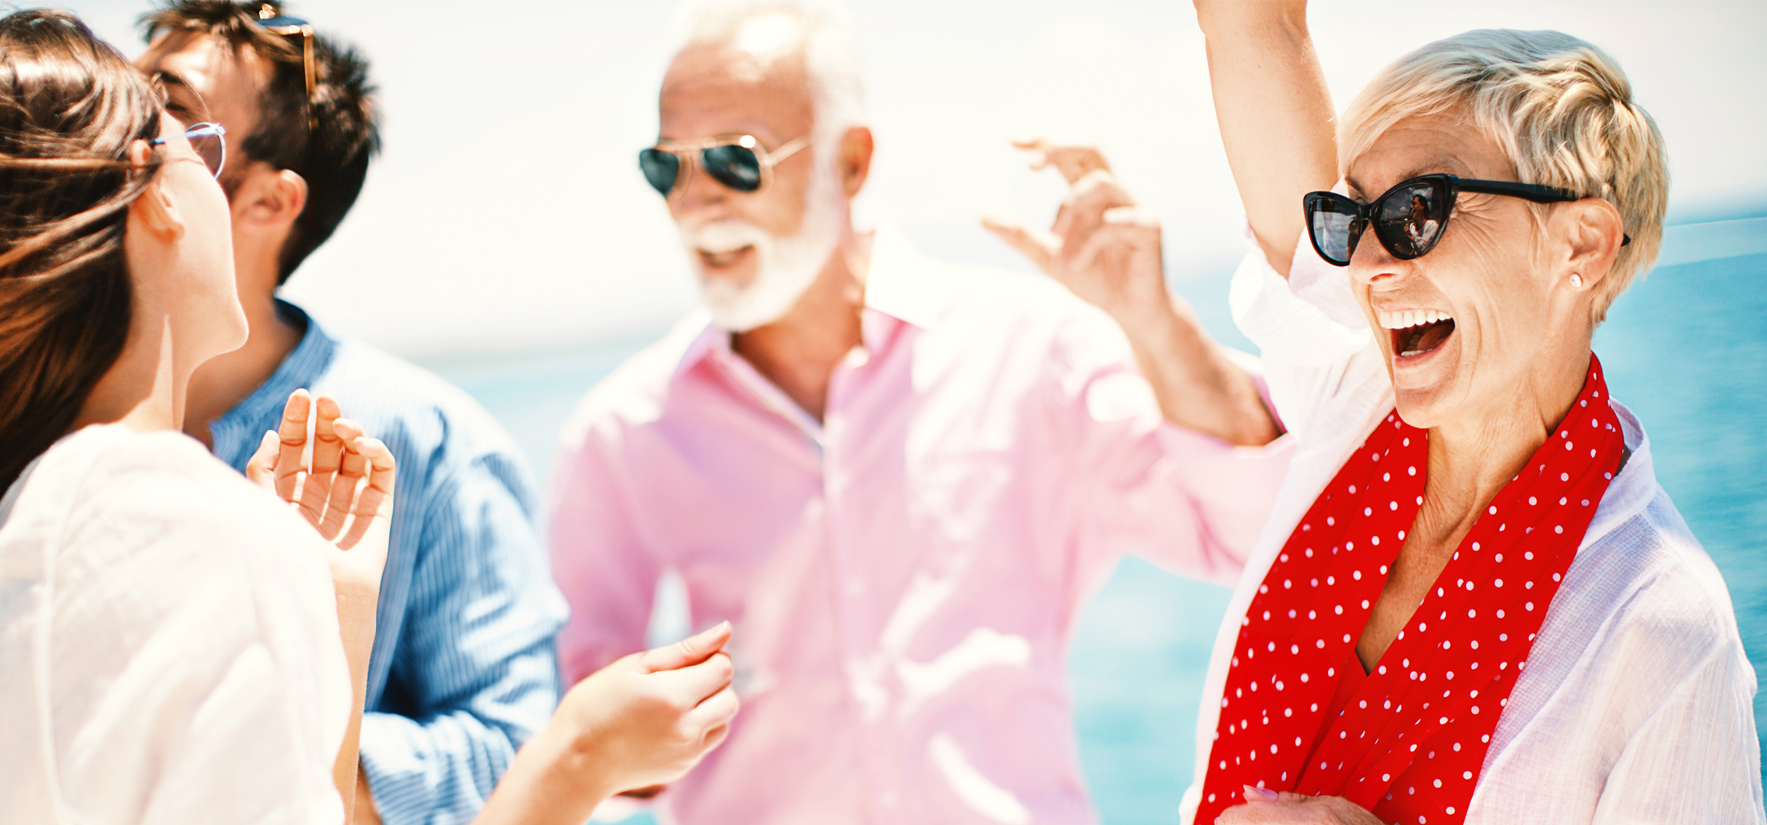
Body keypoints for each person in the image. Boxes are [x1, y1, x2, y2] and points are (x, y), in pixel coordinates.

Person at [0, 9, 738, 824]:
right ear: (145, 192)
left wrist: (333, 619)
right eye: (175, 136)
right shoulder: (198, 531)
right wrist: (581, 754)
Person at [548, 1, 1293, 822]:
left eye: (733, 161)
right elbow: (580, 742)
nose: (695, 202)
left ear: (851, 161)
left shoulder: (1034, 350)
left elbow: (1253, 535)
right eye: (667, 168)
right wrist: (644, 737)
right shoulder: (621, 430)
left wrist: (1157, 323)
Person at [1172, 2, 1762, 823]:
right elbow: (1252, 24)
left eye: (1419, 212)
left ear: (1581, 244)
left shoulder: (1661, 630)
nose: (1369, 265)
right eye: (1354, 218)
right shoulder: (1357, 392)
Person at [132, 4, 569, 822]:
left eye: (171, 105)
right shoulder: (46, 406)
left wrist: (260, 754)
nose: (119, 122)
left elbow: (520, 747)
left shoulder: (429, 440)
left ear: (267, 201)